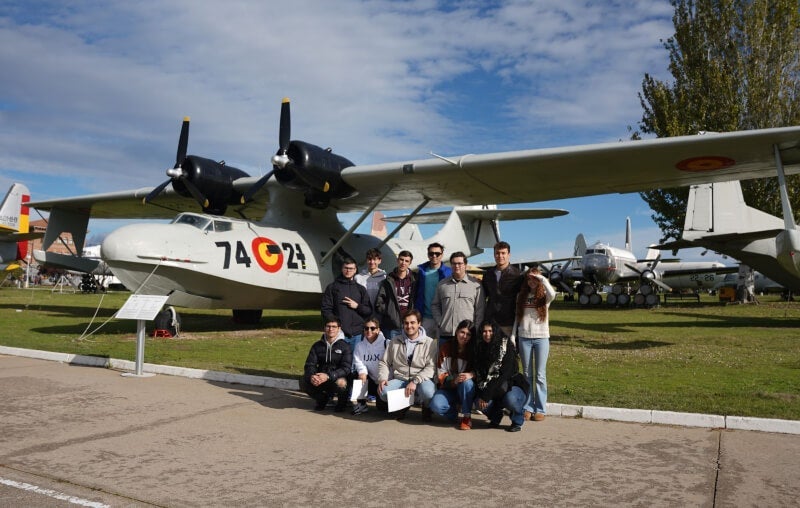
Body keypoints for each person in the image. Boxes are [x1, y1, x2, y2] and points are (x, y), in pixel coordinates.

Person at [510, 263, 556, 422]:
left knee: (540, 375)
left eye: (534, 279)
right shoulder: (520, 296)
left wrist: (542, 278)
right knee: (527, 374)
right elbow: (518, 317)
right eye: (529, 279)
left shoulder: (544, 297)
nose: (532, 282)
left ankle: (540, 408)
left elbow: (553, 293)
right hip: (524, 337)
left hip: (541, 338)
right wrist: (513, 336)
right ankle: (528, 406)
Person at [377, 309, 436, 421]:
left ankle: (426, 407)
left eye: (412, 322)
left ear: (419, 323)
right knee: (383, 392)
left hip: (421, 379)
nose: (409, 326)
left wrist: (415, 381)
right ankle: (402, 405)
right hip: (401, 378)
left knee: (429, 393)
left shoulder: (430, 342)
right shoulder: (394, 341)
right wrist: (383, 378)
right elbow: (384, 362)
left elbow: (431, 367)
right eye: (406, 323)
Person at [473, 320, 529, 432]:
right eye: (484, 331)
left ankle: (517, 420)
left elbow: (505, 374)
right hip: (493, 387)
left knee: (510, 400)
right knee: (479, 403)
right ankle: (496, 416)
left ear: (495, 331)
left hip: (511, 385)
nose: (487, 334)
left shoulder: (506, 345)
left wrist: (487, 394)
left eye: (490, 331)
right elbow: (479, 373)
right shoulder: (480, 347)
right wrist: (483, 395)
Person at [429, 319, 476, 430]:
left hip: (466, 389)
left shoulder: (474, 351)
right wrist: (453, 380)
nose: (464, 336)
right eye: (462, 332)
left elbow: (480, 371)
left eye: (468, 334)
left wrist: (471, 374)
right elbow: (440, 373)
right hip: (448, 387)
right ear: (456, 332)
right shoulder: (446, 347)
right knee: (436, 405)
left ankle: (466, 417)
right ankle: (453, 413)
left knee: (467, 382)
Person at [432, 251, 484, 346]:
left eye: (460, 263)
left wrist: (475, 329)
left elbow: (480, 310)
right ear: (451, 265)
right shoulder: (442, 284)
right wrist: (440, 322)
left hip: (467, 335)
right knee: (445, 361)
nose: (457, 266)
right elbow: (435, 305)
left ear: (465, 265)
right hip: (446, 334)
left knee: (467, 361)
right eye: (454, 263)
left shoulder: (476, 285)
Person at [321, 257, 373, 352]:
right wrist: (335, 326)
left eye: (351, 268)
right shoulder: (332, 287)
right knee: (338, 363)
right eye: (346, 268)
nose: (348, 271)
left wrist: (357, 306)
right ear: (342, 269)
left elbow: (368, 310)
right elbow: (326, 309)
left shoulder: (360, 289)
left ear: (355, 270)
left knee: (354, 364)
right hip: (339, 334)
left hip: (357, 335)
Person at [302, 318, 353, 412]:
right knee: (303, 381)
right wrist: (312, 376)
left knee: (342, 383)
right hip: (320, 378)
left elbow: (346, 368)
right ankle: (322, 400)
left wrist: (329, 376)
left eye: (334, 326)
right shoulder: (317, 346)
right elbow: (310, 364)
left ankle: (341, 404)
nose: (331, 329)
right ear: (324, 328)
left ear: (339, 329)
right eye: (328, 326)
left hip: (336, 377)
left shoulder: (345, 346)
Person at [482, 241, 523, 338]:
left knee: (507, 352)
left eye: (503, 253)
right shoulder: (488, 274)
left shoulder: (518, 275)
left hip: (508, 322)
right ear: (494, 255)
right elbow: (484, 296)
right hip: (490, 321)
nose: (500, 256)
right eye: (497, 253)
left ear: (509, 255)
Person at [374, 250, 417, 338]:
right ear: (397, 260)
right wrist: (390, 313)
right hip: (391, 326)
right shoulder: (388, 280)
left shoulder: (415, 279)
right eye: (401, 260)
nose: (403, 263)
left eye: (406, 261)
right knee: (391, 351)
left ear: (410, 263)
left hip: (409, 325)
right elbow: (379, 301)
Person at [351, 316, 389, 415]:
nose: (369, 331)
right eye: (366, 328)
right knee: (357, 374)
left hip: (385, 381)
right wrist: (362, 372)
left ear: (378, 330)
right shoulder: (360, 346)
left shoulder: (387, 344)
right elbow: (358, 362)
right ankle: (361, 404)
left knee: (383, 409)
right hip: (371, 380)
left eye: (372, 328)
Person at [415, 242, 452, 340]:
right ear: (428, 255)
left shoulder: (449, 273)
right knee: (423, 349)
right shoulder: (421, 272)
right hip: (425, 318)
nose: (434, 256)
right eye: (431, 253)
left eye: (437, 253)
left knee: (442, 349)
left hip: (442, 317)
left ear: (442, 254)